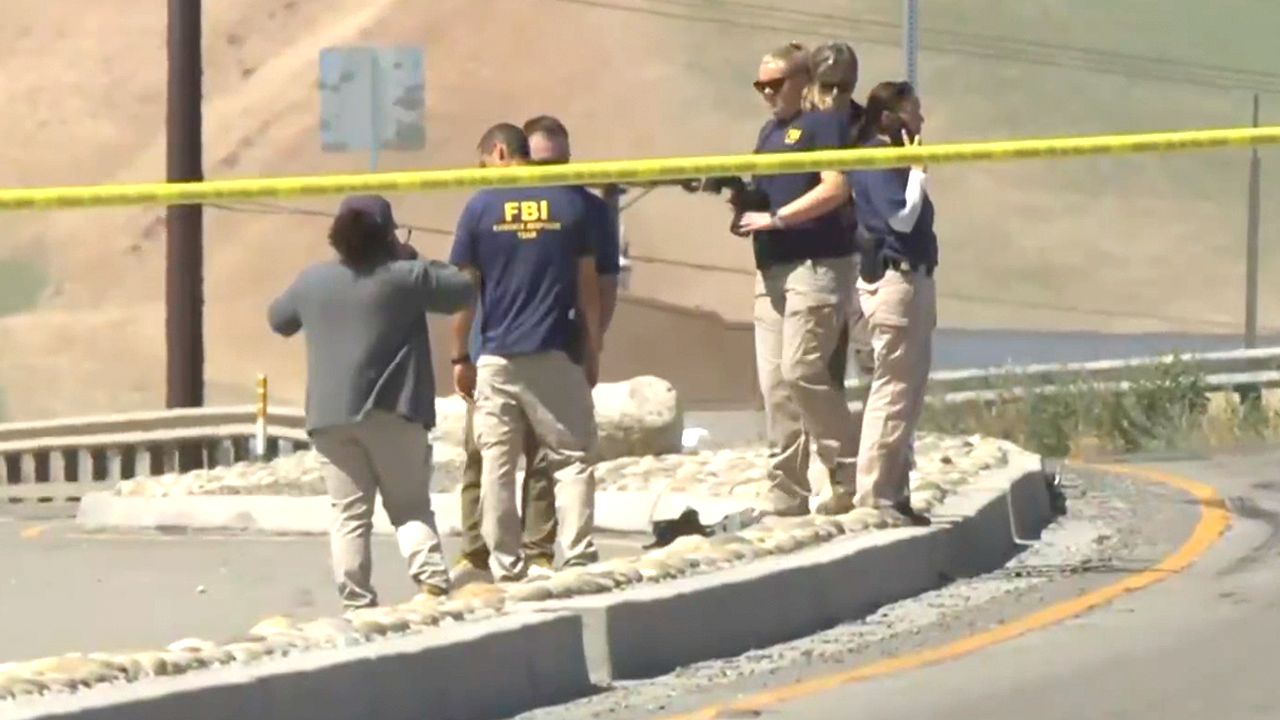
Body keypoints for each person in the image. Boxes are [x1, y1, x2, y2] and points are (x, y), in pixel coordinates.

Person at [266, 194, 475, 610]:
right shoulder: (405, 277)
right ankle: (432, 584)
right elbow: (464, 289)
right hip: (394, 409)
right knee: (409, 507)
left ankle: (357, 600)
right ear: (388, 236)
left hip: (329, 417)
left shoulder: (314, 280)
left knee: (348, 514)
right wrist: (413, 259)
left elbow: (279, 319)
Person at [451, 115, 621, 583]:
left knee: (497, 465)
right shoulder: (573, 204)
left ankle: (505, 565)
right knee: (571, 459)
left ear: (499, 153)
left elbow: (464, 291)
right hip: (555, 350)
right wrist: (593, 347)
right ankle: (578, 555)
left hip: (497, 356)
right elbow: (590, 286)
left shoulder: (481, 206)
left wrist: (459, 355)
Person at [733, 42, 863, 517]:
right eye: (760, 86)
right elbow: (764, 194)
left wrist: (779, 218)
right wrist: (742, 203)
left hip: (816, 263)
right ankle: (787, 492)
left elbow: (836, 187)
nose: (767, 93)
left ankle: (848, 469)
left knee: (802, 369)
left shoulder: (822, 124)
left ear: (802, 80)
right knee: (775, 387)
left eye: (775, 84)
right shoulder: (769, 132)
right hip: (771, 267)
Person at [846, 81, 937, 526]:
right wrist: (918, 173)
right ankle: (874, 494)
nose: (919, 121)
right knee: (894, 389)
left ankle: (894, 491)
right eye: (911, 112)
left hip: (913, 279)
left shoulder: (889, 161)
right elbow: (901, 218)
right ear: (888, 118)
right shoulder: (879, 159)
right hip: (895, 281)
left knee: (908, 392)